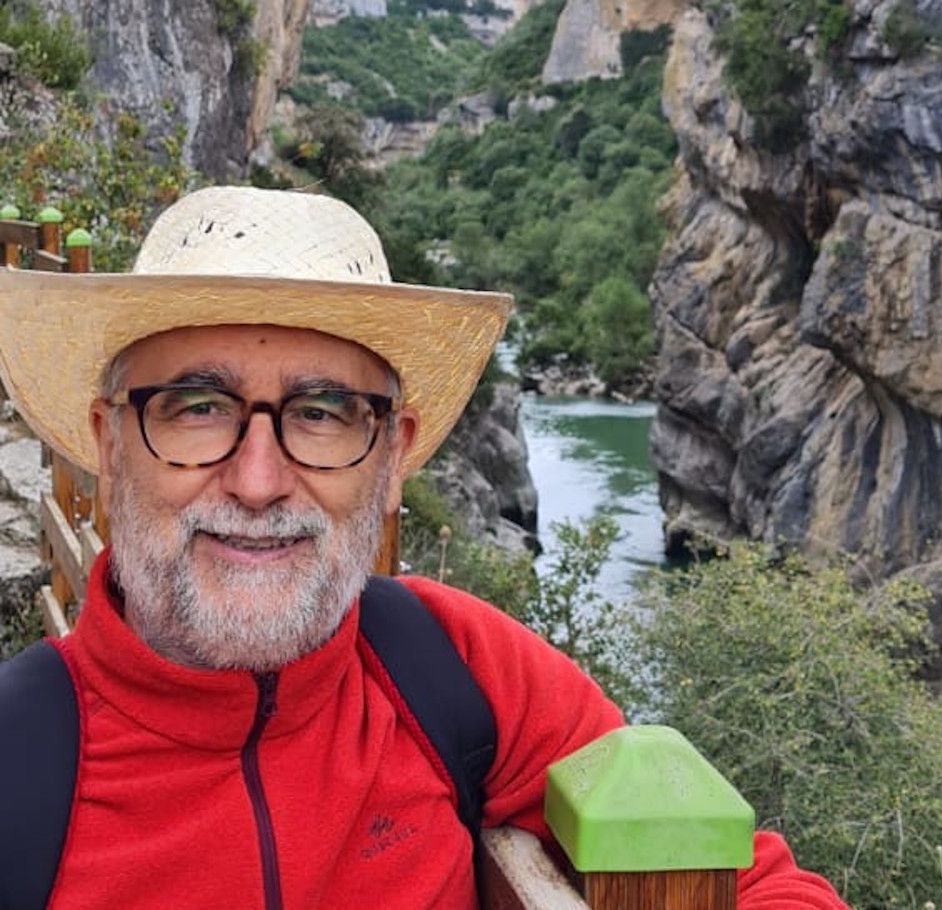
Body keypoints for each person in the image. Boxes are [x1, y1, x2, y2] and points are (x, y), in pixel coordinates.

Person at [0, 186, 848, 909]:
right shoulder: (22, 763)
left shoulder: (454, 670)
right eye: (197, 409)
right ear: (109, 445)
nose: (258, 482)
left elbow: (761, 886)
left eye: (322, 414)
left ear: (392, 458)